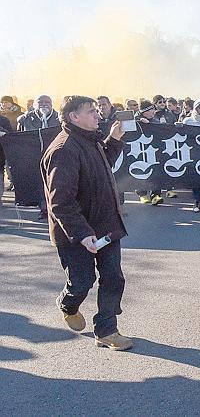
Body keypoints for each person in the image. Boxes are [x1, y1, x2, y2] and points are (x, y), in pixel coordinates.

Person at [40, 95, 132, 350]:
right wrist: (81, 233)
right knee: (82, 281)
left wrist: (113, 140)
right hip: (75, 232)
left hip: (105, 226)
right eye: (91, 111)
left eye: (96, 110)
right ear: (74, 117)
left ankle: (106, 330)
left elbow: (103, 167)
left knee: (113, 278)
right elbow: (61, 202)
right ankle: (68, 304)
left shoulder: (90, 140)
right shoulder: (64, 150)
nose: (97, 115)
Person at [18, 95, 62, 219]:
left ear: (52, 103)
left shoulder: (59, 118)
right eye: (40, 102)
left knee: (55, 183)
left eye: (47, 102)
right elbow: (20, 136)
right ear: (35, 105)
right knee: (39, 183)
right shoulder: (26, 119)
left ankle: (55, 209)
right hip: (34, 157)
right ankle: (44, 210)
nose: (44, 104)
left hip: (56, 156)